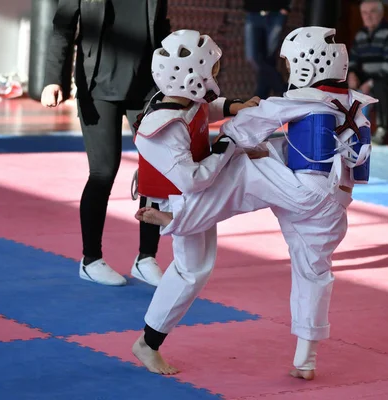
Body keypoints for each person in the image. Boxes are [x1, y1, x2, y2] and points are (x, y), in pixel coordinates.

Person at [134, 26, 376, 379]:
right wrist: (235, 133)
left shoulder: (298, 100)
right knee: (313, 272)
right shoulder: (357, 102)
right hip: (336, 202)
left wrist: (232, 137)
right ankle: (305, 360)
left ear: (307, 66)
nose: (290, 73)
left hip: (293, 192)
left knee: (245, 166)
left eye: (292, 66)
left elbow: (244, 126)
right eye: (212, 70)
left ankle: (175, 216)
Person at [129, 29, 260, 374]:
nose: (215, 77)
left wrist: (233, 106)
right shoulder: (164, 125)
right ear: (192, 76)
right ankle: (148, 343)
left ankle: (149, 341)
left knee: (196, 269)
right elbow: (192, 177)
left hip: (195, 195)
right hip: (181, 198)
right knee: (190, 270)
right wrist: (227, 143)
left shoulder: (184, 100)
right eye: (211, 71)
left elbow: (207, 107)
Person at [41, 0, 169, 286]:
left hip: (147, 88)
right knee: (102, 173)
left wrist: (171, 85)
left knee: (156, 171)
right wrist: (53, 79)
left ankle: (146, 257)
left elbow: (161, 29)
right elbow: (62, 27)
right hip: (97, 87)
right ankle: (91, 260)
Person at [347, 0, 388, 145]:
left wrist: (370, 83)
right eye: (364, 13)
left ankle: (382, 130)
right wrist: (352, 73)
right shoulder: (361, 34)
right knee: (340, 80)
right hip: (371, 76)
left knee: (381, 86)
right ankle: (346, 125)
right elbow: (353, 59)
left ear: (381, 14)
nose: (368, 16)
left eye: (372, 11)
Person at [243, 0, 292, 99]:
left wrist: (286, 6)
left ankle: (260, 97)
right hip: (253, 12)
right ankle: (284, 90)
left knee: (269, 58)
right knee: (253, 57)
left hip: (276, 13)